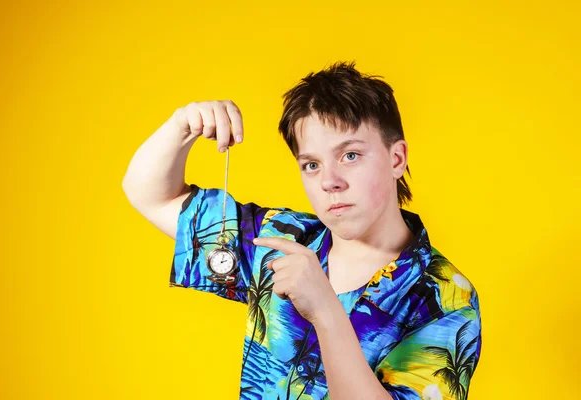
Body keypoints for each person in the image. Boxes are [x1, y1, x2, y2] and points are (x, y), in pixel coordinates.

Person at [122, 61, 482, 400]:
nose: (330, 181)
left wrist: (325, 311)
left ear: (396, 159)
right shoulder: (281, 238)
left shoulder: (447, 298)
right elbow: (152, 196)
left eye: (350, 155)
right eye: (311, 164)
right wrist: (182, 126)